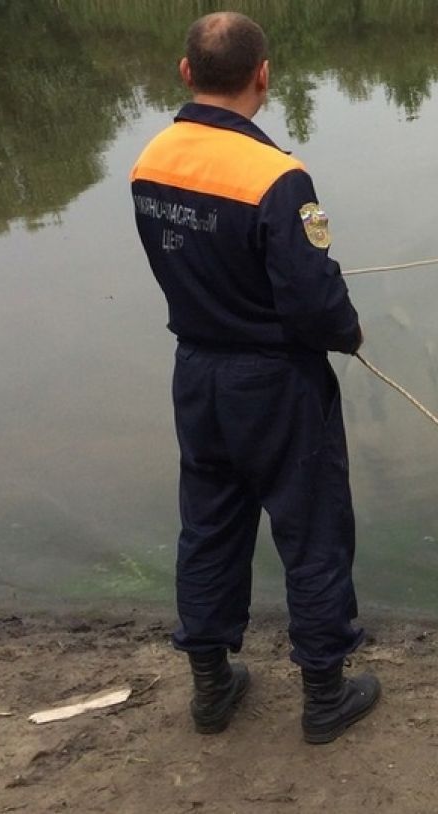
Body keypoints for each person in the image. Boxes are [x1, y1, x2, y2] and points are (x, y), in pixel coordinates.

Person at [129, 11, 380, 745]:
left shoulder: (150, 160)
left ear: (185, 72)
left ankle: (211, 689)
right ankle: (326, 696)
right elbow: (312, 301)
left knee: (207, 527)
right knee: (313, 533)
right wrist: (350, 332)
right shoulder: (276, 175)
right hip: (275, 384)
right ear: (263, 76)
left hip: (197, 374)